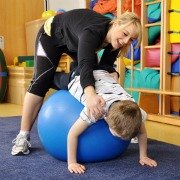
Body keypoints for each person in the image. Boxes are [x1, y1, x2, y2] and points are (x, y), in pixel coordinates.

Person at [11, 9, 142, 155]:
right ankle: (22, 136)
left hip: (74, 40)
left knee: (95, 71)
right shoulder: (92, 31)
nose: (126, 41)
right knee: (41, 81)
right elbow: (85, 64)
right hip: (52, 36)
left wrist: (113, 74)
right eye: (125, 34)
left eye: (131, 39)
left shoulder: (116, 41)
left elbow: (104, 67)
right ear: (117, 23)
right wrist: (90, 95)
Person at [67, 70, 157, 174]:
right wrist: (72, 162)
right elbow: (72, 134)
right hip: (80, 79)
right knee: (60, 77)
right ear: (108, 119)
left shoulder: (137, 113)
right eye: (118, 135)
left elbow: (142, 133)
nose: (121, 139)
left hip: (105, 76)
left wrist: (144, 156)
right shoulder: (96, 110)